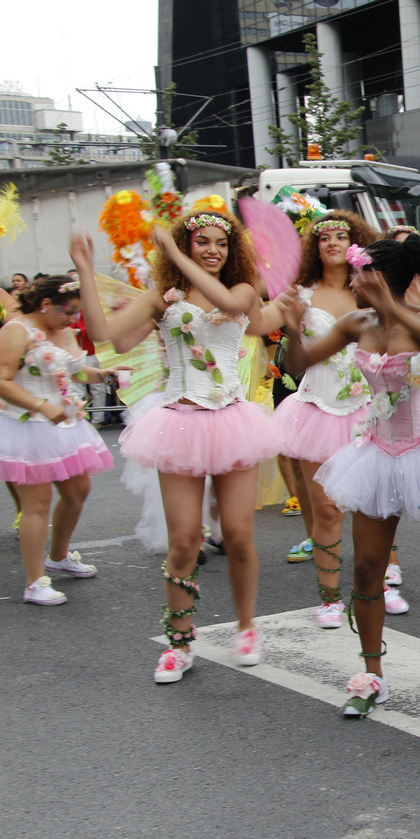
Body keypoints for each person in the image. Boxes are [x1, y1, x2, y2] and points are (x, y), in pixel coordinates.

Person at [71, 210, 283, 684]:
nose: (212, 250)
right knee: (184, 541)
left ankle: (246, 627)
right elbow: (107, 335)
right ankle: (179, 642)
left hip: (232, 420)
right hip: (180, 424)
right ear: (187, 245)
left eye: (221, 243)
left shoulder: (242, 289)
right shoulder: (161, 297)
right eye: (201, 241)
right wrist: (85, 268)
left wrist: (172, 254)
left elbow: (232, 304)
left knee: (238, 534)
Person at [280, 234, 420, 714]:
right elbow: (299, 364)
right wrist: (291, 329)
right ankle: (372, 674)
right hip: (376, 452)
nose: (352, 282)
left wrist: (392, 304)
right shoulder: (357, 323)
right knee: (367, 567)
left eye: (361, 274)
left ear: (384, 279)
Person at [264, 211, 417, 624]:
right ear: (314, 247)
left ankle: (379, 586)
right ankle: (329, 599)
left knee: (375, 508)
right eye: (323, 237)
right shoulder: (300, 294)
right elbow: (263, 326)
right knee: (328, 510)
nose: (332, 242)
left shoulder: (368, 290)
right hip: (317, 410)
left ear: (355, 244)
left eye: (340, 235)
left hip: (369, 411)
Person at [0, 275, 115, 605]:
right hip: (28, 426)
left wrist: (101, 374)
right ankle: (34, 583)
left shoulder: (63, 330)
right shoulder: (16, 331)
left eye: (77, 312)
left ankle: (59, 556)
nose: (72, 319)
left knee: (77, 492)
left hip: (65, 424)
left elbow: (73, 370)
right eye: (68, 311)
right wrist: (40, 405)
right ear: (46, 304)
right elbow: (3, 380)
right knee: (37, 505)